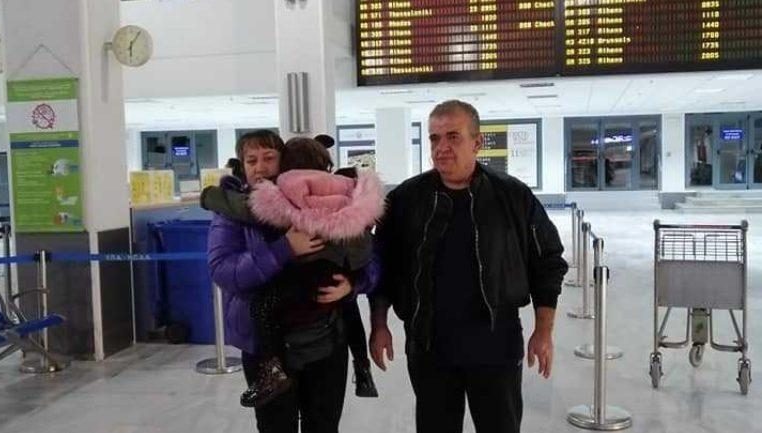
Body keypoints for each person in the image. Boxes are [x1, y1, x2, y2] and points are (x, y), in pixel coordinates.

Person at [368, 100, 568, 433]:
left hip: (496, 345)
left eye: (453, 136)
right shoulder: (406, 200)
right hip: (429, 347)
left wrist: (543, 330)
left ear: (477, 143)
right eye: (434, 138)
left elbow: (547, 262)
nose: (441, 147)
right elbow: (383, 265)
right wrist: (379, 324)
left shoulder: (512, 196)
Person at [206, 130, 380, 433]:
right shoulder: (234, 214)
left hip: (327, 342)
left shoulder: (304, 198)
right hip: (264, 349)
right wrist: (283, 248)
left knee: (324, 426)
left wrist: (353, 283)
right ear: (242, 165)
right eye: (251, 160)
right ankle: (357, 367)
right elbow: (223, 270)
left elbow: (372, 256)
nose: (260, 167)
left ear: (284, 162)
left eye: (269, 158)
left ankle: (361, 367)